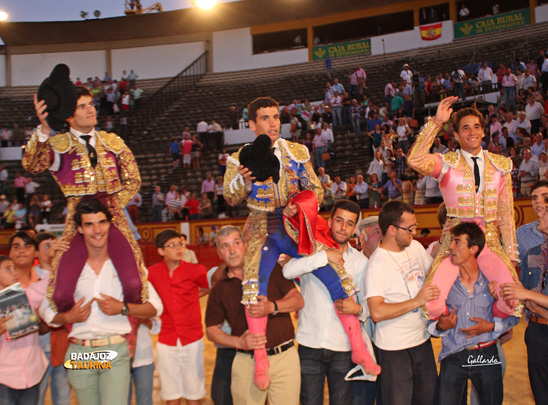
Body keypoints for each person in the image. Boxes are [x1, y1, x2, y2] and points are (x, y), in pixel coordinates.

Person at [24, 76, 148, 325]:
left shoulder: (113, 142)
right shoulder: (57, 144)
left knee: (134, 283)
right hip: (77, 220)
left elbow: (133, 180)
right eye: (82, 106)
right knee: (60, 293)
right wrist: (45, 130)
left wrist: (111, 205)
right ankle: (80, 328)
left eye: (91, 104)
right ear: (69, 115)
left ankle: (131, 326)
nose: (91, 109)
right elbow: (32, 164)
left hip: (112, 217)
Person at [223, 97, 323, 389]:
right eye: (265, 118)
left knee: (332, 269)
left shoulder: (297, 152)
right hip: (260, 225)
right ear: (252, 124)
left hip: (295, 224)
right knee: (252, 284)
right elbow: (230, 198)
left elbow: (316, 190)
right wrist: (243, 182)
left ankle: (357, 344)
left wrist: (298, 204)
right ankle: (260, 357)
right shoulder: (238, 158)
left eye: (276, 117)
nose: (273, 123)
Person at [407, 96, 520, 320]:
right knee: (433, 303)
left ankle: (491, 321)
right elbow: (415, 159)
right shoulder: (446, 162)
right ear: (456, 135)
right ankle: (456, 321)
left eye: (476, 127)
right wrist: (436, 123)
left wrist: (511, 256)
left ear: (484, 131)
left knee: (512, 299)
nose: (472, 132)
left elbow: (506, 215)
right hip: (455, 241)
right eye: (465, 128)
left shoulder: (501, 164)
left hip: (489, 241)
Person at [39, 199, 158, 405]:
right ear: (79, 229)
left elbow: (156, 307)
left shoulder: (128, 264)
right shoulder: (68, 267)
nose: (97, 230)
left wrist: (123, 308)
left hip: (114, 349)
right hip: (80, 350)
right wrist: (67, 317)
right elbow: (45, 308)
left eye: (102, 222)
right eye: (89, 224)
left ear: (110, 224)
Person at [283, 200, 379, 405]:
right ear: (329, 222)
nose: (343, 228)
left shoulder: (361, 262)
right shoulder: (311, 251)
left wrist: (359, 309)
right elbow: (288, 271)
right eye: (339, 220)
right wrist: (324, 256)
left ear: (354, 228)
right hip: (309, 342)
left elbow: (369, 304)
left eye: (349, 223)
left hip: (343, 347)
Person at [206, 226, 303, 405]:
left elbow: (297, 300)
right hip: (246, 361)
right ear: (219, 253)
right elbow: (212, 330)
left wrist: (272, 307)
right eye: (225, 246)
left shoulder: (270, 269)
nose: (232, 251)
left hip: (284, 358)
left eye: (236, 243)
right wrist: (238, 342)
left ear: (245, 245)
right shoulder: (220, 288)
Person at [429, 222, 519, 405]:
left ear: (474, 248)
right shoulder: (445, 283)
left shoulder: (493, 281)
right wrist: (439, 326)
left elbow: (514, 316)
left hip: (486, 353)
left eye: (457, 242)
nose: (451, 248)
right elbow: (427, 318)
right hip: (454, 354)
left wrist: (492, 326)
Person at [366, 201, 439, 405]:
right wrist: (416, 301)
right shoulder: (377, 264)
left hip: (421, 341)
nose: (414, 232)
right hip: (393, 350)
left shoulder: (414, 247)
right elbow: (377, 312)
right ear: (391, 229)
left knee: (427, 400)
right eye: (409, 228)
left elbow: (434, 273)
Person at [148, 230, 209, 405]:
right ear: (161, 251)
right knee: (170, 393)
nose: (178, 248)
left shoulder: (196, 270)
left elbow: (207, 287)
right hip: (166, 338)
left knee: (194, 393)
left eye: (180, 244)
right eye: (172, 245)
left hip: (192, 338)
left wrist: (190, 296)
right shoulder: (152, 273)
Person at [502, 194, 548, 404]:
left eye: (546, 212)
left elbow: (524, 294)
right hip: (536, 332)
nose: (540, 214)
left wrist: (527, 296)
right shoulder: (532, 252)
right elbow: (522, 295)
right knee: (540, 393)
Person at [0, 234, 49, 405]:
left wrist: (52, 259)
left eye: (14, 268)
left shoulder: (26, 295)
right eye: (8, 269)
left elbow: (48, 284)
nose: (14, 272)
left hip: (32, 373)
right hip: (4, 377)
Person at [34, 233, 72, 405]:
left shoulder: (67, 275)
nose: (53, 250)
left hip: (62, 343)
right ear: (36, 252)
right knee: (37, 396)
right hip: (37, 346)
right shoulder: (30, 277)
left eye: (55, 245)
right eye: (47, 246)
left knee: (63, 395)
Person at [516, 180, 548, 263]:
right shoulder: (523, 232)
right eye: (534, 198)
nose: (538, 201)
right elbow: (514, 265)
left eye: (544, 196)